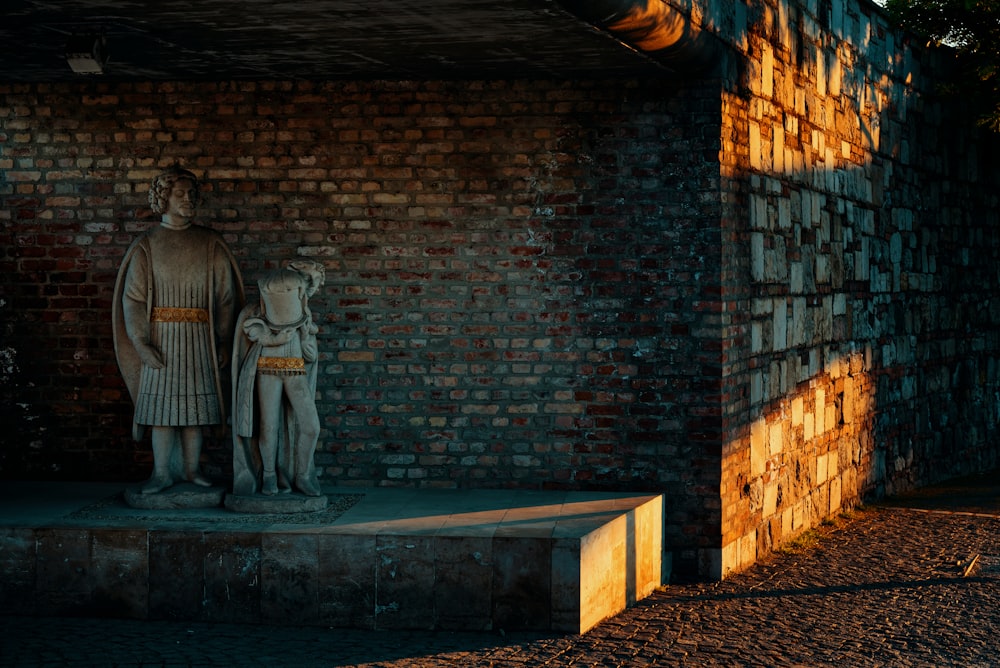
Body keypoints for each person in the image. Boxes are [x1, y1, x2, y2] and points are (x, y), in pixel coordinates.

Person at [113, 167, 244, 494]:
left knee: (195, 410)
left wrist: (225, 340)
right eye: (180, 194)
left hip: (200, 338)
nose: (189, 199)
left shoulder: (210, 242)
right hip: (161, 338)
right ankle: (161, 473)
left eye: (192, 194)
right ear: (163, 198)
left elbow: (226, 298)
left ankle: (190, 470)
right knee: (161, 409)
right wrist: (141, 342)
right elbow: (133, 300)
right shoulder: (147, 245)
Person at [232, 260, 325, 497]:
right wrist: (274, 339)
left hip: (295, 372)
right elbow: (255, 334)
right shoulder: (258, 318)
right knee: (269, 426)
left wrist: (304, 337)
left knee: (311, 426)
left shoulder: (303, 316)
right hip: (267, 371)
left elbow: (310, 355)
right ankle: (269, 476)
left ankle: (303, 475)